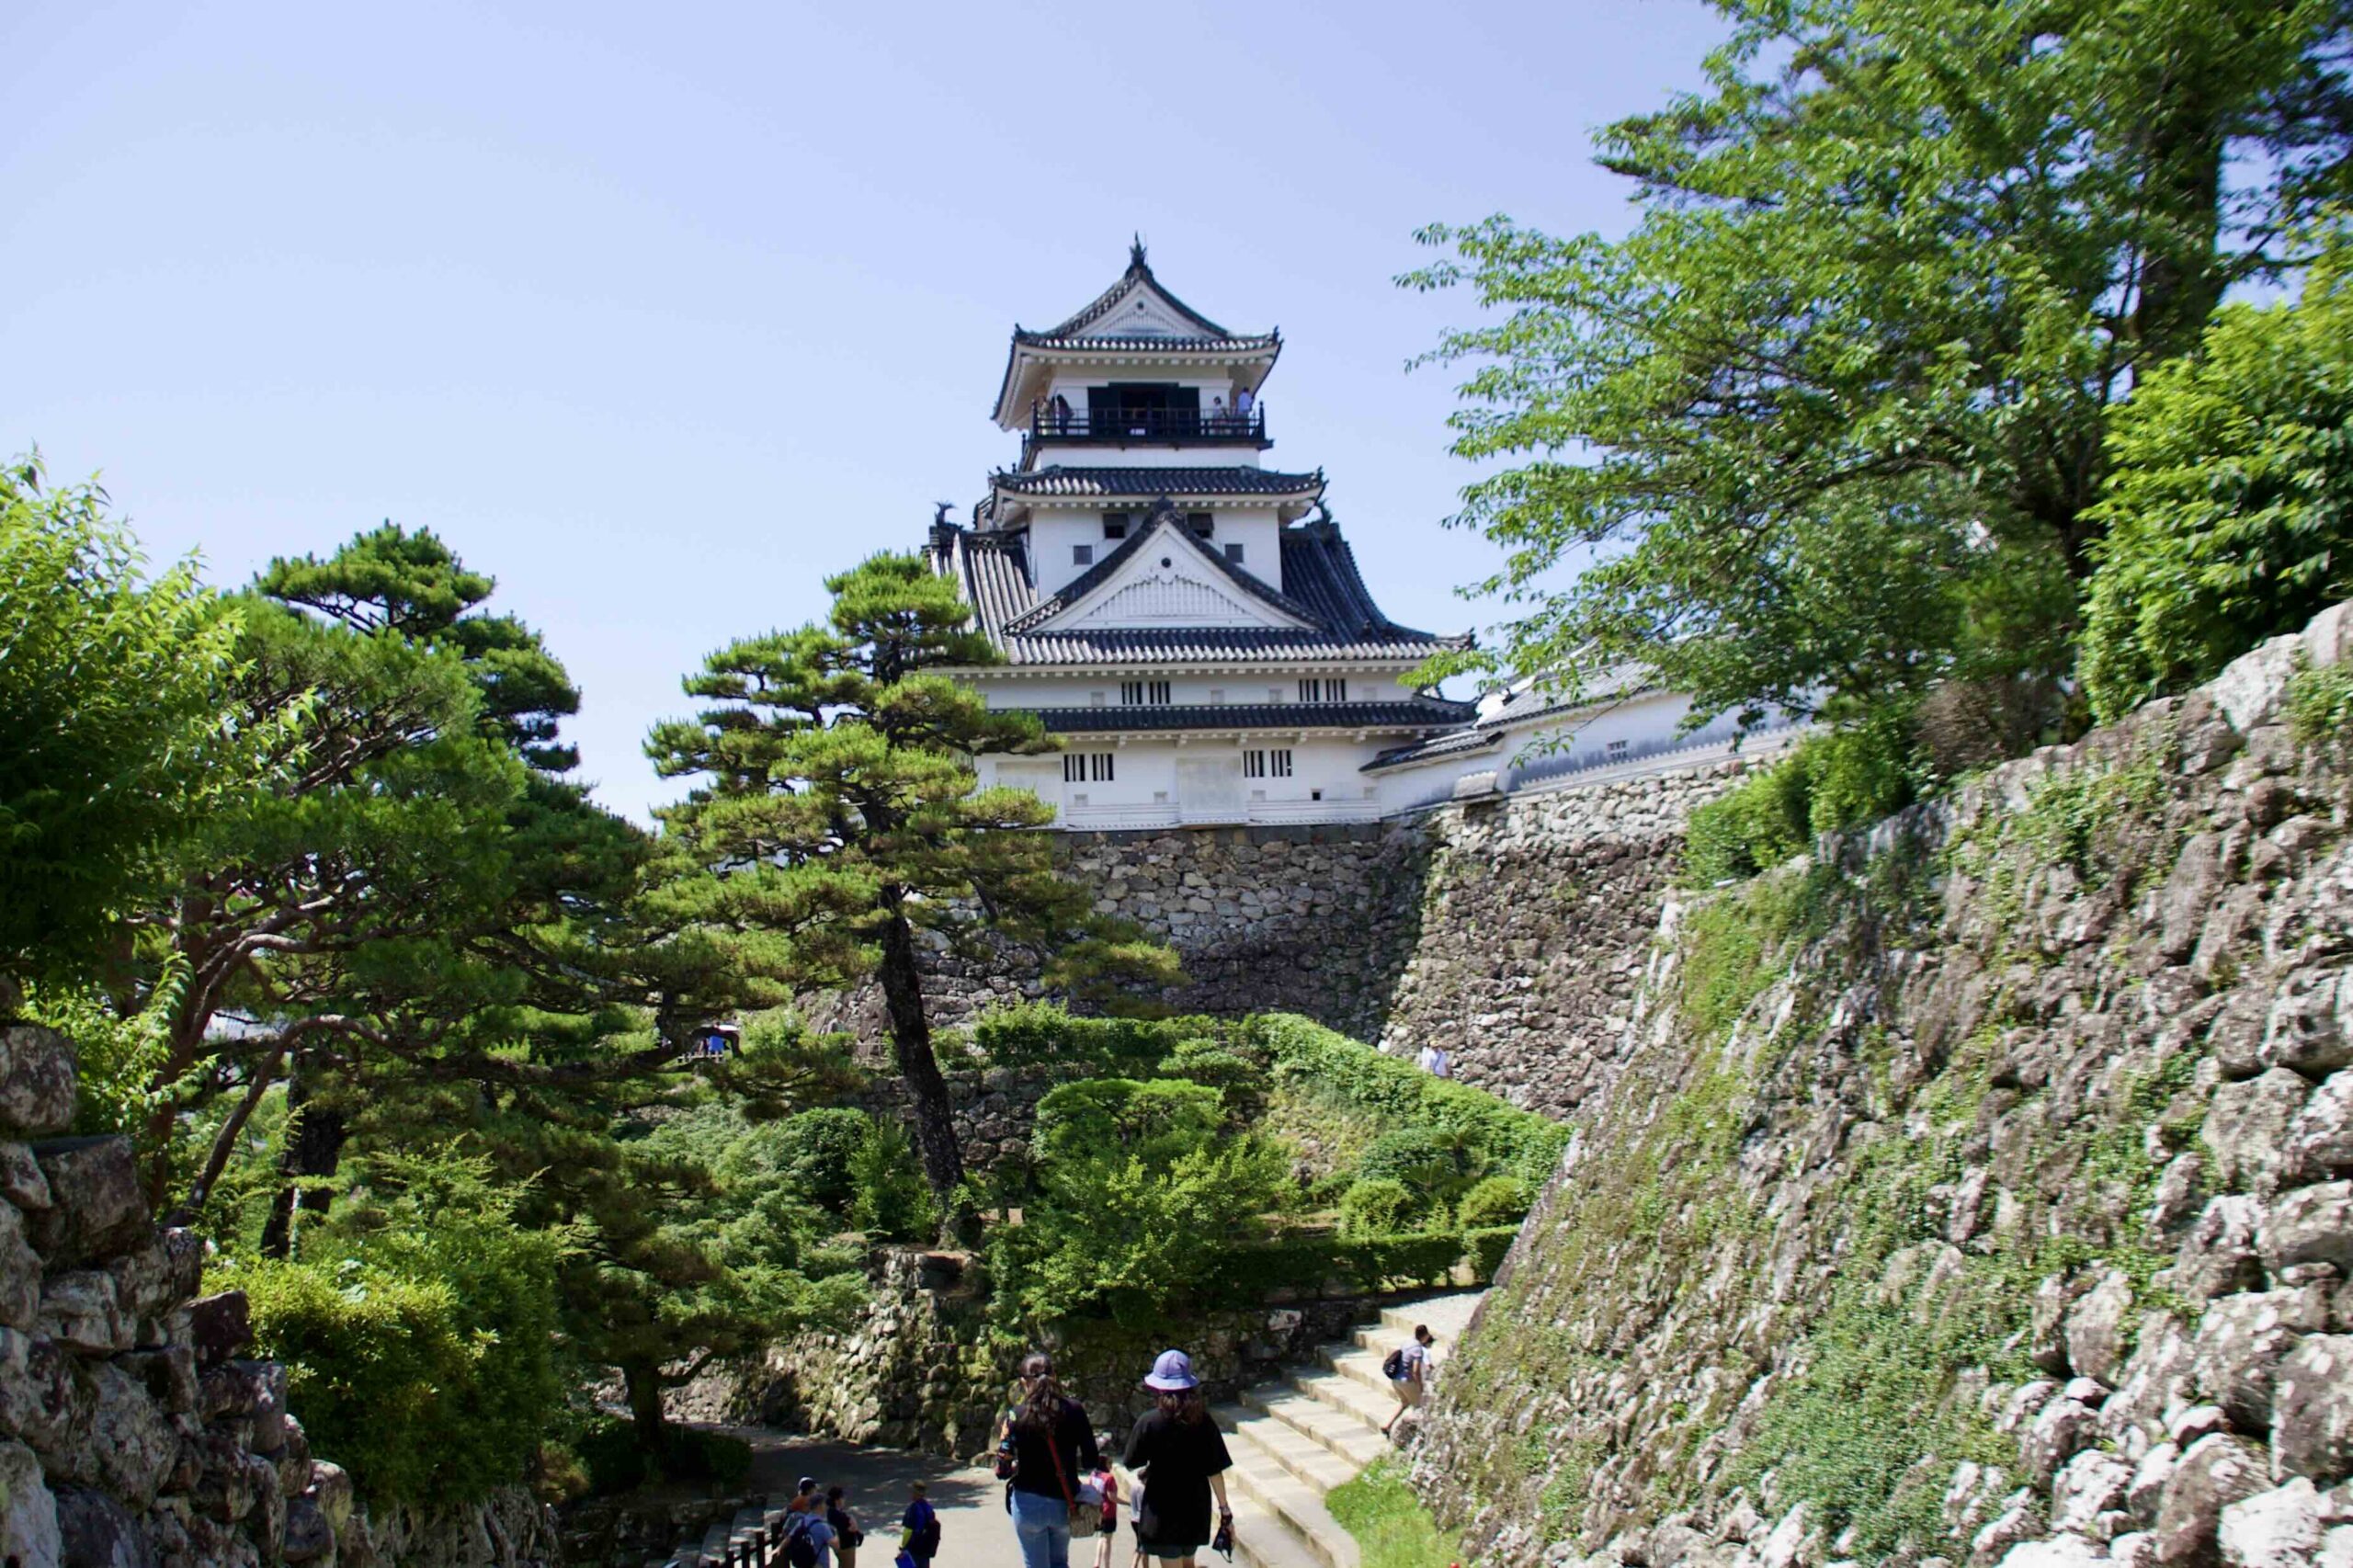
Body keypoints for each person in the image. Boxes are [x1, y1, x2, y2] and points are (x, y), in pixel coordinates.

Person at [1123, 1350, 1233, 1568]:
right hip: (1195, 1507)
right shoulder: (1203, 1420)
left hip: (1162, 1508)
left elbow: (1131, 1460)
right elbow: (1215, 1470)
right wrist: (1224, 1509)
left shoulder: (1149, 1421)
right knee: (1188, 1563)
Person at [999, 1350, 1103, 1568]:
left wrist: (1015, 1463)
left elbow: (1003, 1469)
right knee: (1059, 1562)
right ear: (1054, 1376)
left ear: (1023, 1382)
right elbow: (1090, 1460)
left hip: (1028, 1501)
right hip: (1064, 1499)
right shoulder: (1074, 1410)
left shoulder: (1015, 1415)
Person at [1381, 1324, 1437, 1437]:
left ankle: (1387, 1425)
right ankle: (1416, 1434)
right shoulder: (1417, 1350)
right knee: (1419, 1407)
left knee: (1404, 1403)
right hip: (1407, 1382)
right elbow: (1415, 1370)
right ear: (1425, 1336)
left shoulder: (1408, 1342)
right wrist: (1420, 1386)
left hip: (1396, 1380)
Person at [901, 1481, 941, 1566]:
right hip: (926, 1548)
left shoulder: (913, 1508)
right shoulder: (928, 1507)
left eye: (912, 1491)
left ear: (916, 1493)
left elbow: (908, 1530)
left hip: (914, 1548)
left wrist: (904, 1547)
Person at [1090, 1460, 1120, 1568]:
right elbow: (1112, 1497)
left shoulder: (1094, 1475)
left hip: (1097, 1511)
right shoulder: (1109, 1477)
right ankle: (1107, 1565)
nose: (1111, 1465)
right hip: (1108, 1512)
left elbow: (1090, 1490)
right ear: (1104, 1463)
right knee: (1108, 1540)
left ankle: (1097, 1562)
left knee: (1101, 1536)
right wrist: (1126, 1502)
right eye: (1109, 1463)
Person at [827, 1485, 863, 1568]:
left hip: (843, 1545)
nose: (844, 1500)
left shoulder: (833, 1512)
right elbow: (849, 1528)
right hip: (846, 1546)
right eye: (842, 1498)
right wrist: (853, 1526)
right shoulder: (836, 1514)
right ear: (837, 1500)